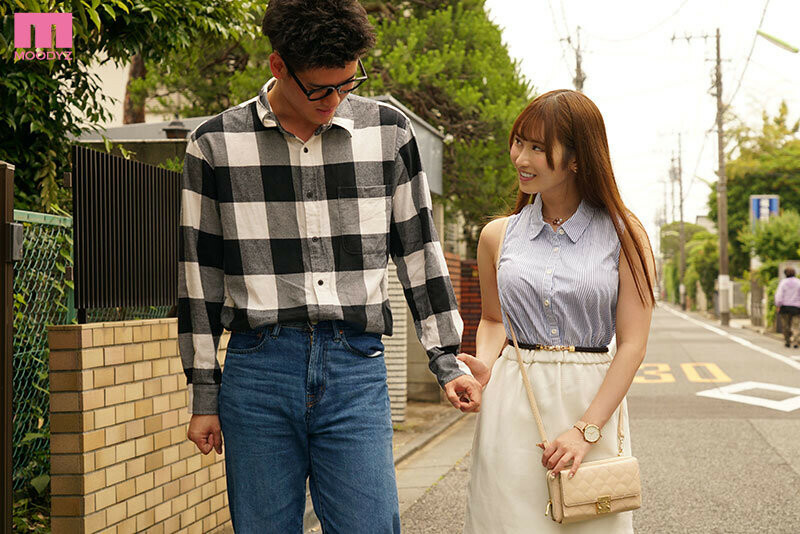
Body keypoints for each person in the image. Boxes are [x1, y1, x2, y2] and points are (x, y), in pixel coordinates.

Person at [177, 1, 482, 532]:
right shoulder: (214, 145)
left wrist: (446, 359)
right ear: (278, 66)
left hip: (355, 366)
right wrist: (204, 391)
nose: (335, 100)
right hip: (259, 368)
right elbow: (198, 278)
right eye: (320, 89)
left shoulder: (387, 133)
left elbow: (420, 253)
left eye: (347, 84)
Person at [458, 89, 656, 533]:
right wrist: (483, 366)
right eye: (519, 142)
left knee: (589, 522)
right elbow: (494, 320)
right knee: (505, 522)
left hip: (592, 399)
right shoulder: (496, 236)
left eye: (537, 147)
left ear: (577, 159)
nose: (521, 158)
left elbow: (632, 345)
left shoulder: (626, 235)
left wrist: (587, 430)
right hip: (513, 398)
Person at [775, 267, 800, 348]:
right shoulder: (798, 282)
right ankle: (796, 341)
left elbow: (779, 295)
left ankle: (787, 340)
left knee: (786, 325)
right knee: (796, 325)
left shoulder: (783, 283)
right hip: (796, 307)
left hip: (785, 307)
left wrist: (778, 304)